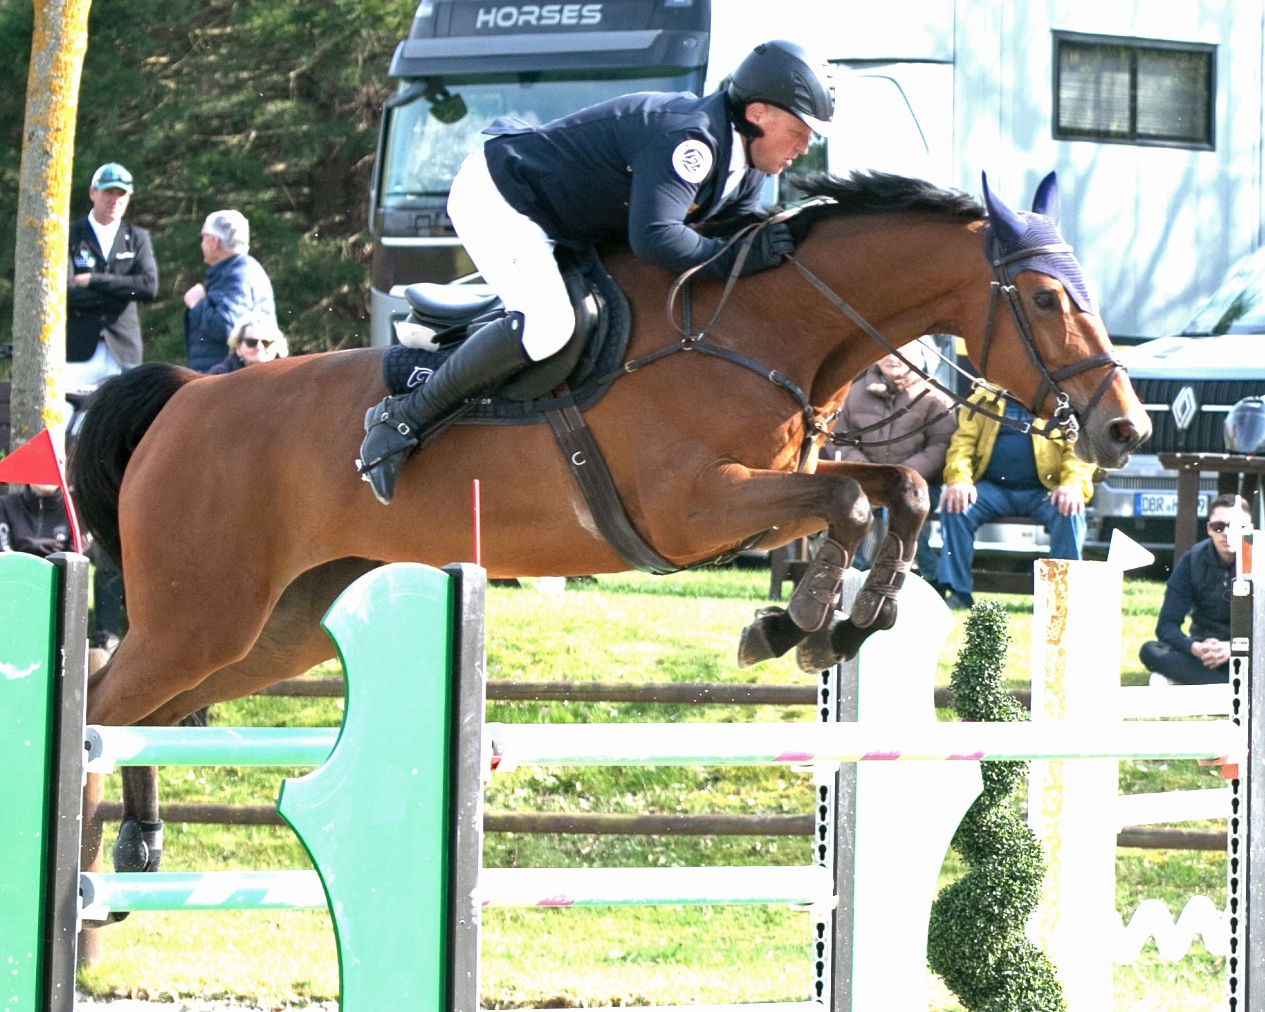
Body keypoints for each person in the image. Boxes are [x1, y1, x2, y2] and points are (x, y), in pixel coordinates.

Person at [357, 39, 836, 504]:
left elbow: (721, 238)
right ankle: (401, 420)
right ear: (757, 114)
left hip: (563, 220)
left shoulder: (749, 167)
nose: (804, 145)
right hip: (502, 199)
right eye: (800, 130)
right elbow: (657, 238)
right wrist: (742, 259)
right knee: (550, 326)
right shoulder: (692, 140)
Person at [938, 386, 1097, 610]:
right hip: (993, 489)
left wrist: (1071, 484)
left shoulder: (1060, 403)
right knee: (956, 506)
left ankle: (1060, 598)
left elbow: (1078, 450)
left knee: (1069, 511)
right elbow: (962, 444)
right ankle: (959, 593)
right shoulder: (983, 400)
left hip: (1043, 490)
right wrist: (959, 479)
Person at [831, 344, 955, 583]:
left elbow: (940, 446)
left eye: (902, 351)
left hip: (918, 484)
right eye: (886, 351)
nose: (892, 357)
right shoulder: (854, 392)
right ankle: (849, 576)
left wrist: (901, 476)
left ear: (918, 358)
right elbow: (839, 440)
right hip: (865, 479)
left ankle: (930, 576)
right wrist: (867, 472)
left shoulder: (935, 398)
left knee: (900, 507)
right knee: (848, 504)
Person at [1139, 493, 1251, 686]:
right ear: (1209, 529)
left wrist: (1233, 648)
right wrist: (1195, 647)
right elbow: (1167, 625)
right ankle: (1233, 687)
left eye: (1236, 527)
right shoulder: (1193, 560)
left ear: (1249, 529)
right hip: (1204, 652)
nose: (1227, 533)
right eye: (1219, 527)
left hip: (1250, 651)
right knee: (1150, 650)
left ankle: (1195, 682)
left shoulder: (1259, 559)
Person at [66, 163, 158, 389]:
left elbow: (148, 287)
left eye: (121, 194)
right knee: (63, 420)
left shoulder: (137, 237)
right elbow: (65, 292)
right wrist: (122, 294)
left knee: (124, 422)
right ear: (92, 193)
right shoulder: (70, 235)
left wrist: (93, 280)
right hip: (78, 350)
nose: (114, 199)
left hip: (123, 351)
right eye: (108, 192)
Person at [184, 210, 277, 372]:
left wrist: (197, 304)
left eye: (203, 237)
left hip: (228, 381)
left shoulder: (236, 275)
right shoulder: (236, 271)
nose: (201, 243)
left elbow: (230, 327)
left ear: (214, 242)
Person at [207, 313, 288, 374]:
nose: (259, 347)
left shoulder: (287, 374)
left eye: (266, 342)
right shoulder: (220, 375)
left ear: (277, 346)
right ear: (238, 348)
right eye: (251, 342)